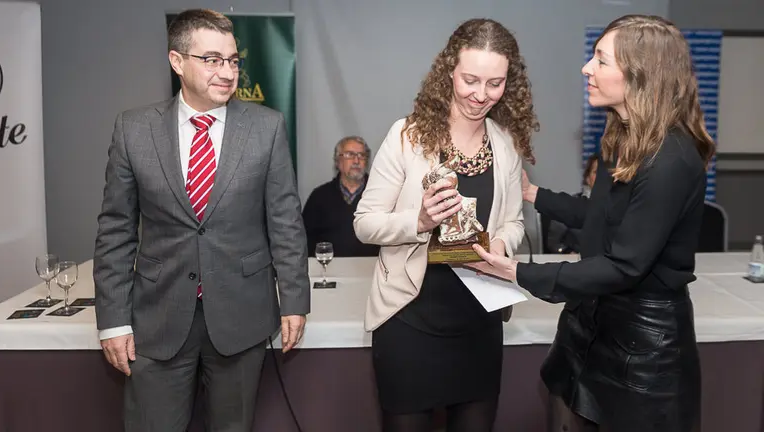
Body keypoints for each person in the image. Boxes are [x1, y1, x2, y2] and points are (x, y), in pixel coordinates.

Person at [470, 14, 714, 432]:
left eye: (601, 59)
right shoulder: (624, 138)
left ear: (640, 75)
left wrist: (518, 272)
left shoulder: (670, 159)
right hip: (591, 324)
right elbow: (602, 216)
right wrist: (534, 195)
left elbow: (626, 264)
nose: (587, 68)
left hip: (643, 351)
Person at [93, 9, 310, 432]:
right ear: (177, 62)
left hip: (242, 315)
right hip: (156, 319)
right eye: (212, 60)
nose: (227, 72)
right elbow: (115, 232)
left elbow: (285, 220)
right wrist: (113, 320)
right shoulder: (133, 129)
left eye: (233, 60)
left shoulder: (267, 127)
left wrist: (295, 299)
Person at [354, 18, 538, 432]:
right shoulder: (407, 136)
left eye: (495, 83)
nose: (481, 95)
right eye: (470, 80)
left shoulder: (505, 144)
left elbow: (514, 222)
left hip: (480, 326)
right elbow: (364, 223)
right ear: (448, 72)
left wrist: (499, 245)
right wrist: (418, 221)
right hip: (408, 324)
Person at [302, 135, 380, 257]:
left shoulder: (380, 194)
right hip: (329, 270)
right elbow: (304, 239)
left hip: (373, 269)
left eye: (361, 155)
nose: (356, 161)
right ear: (337, 161)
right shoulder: (319, 197)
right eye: (350, 155)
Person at [543, 153, 598, 253]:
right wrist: (566, 252)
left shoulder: (620, 208)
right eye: (596, 172)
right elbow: (553, 243)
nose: (601, 178)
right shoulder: (570, 205)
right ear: (587, 178)